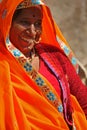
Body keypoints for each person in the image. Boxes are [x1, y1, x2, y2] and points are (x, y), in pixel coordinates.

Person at [0, 0, 87, 129]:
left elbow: (84, 101)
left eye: (38, 24)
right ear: (8, 23)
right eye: (24, 22)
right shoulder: (3, 64)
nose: (33, 31)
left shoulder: (55, 56)